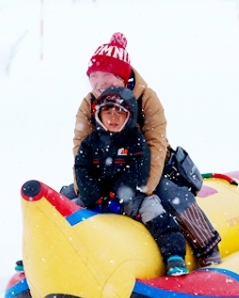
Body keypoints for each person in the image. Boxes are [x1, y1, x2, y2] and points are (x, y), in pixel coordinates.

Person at [64, 32, 222, 267]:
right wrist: (87, 190)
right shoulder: (89, 103)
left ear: (122, 76)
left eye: (106, 76)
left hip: (147, 166)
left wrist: (143, 188)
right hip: (106, 170)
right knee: (66, 196)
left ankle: (207, 247)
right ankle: (54, 252)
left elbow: (156, 143)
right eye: (93, 76)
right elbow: (81, 147)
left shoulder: (146, 98)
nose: (99, 84)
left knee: (171, 196)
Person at [74, 87, 188, 276]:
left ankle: (174, 257)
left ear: (130, 116)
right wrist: (94, 198)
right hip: (97, 201)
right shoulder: (90, 143)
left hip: (132, 200)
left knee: (156, 213)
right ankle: (43, 253)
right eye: (108, 112)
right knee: (66, 212)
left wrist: (117, 197)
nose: (113, 117)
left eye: (120, 112)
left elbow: (137, 172)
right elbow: (82, 170)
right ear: (98, 114)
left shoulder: (135, 140)